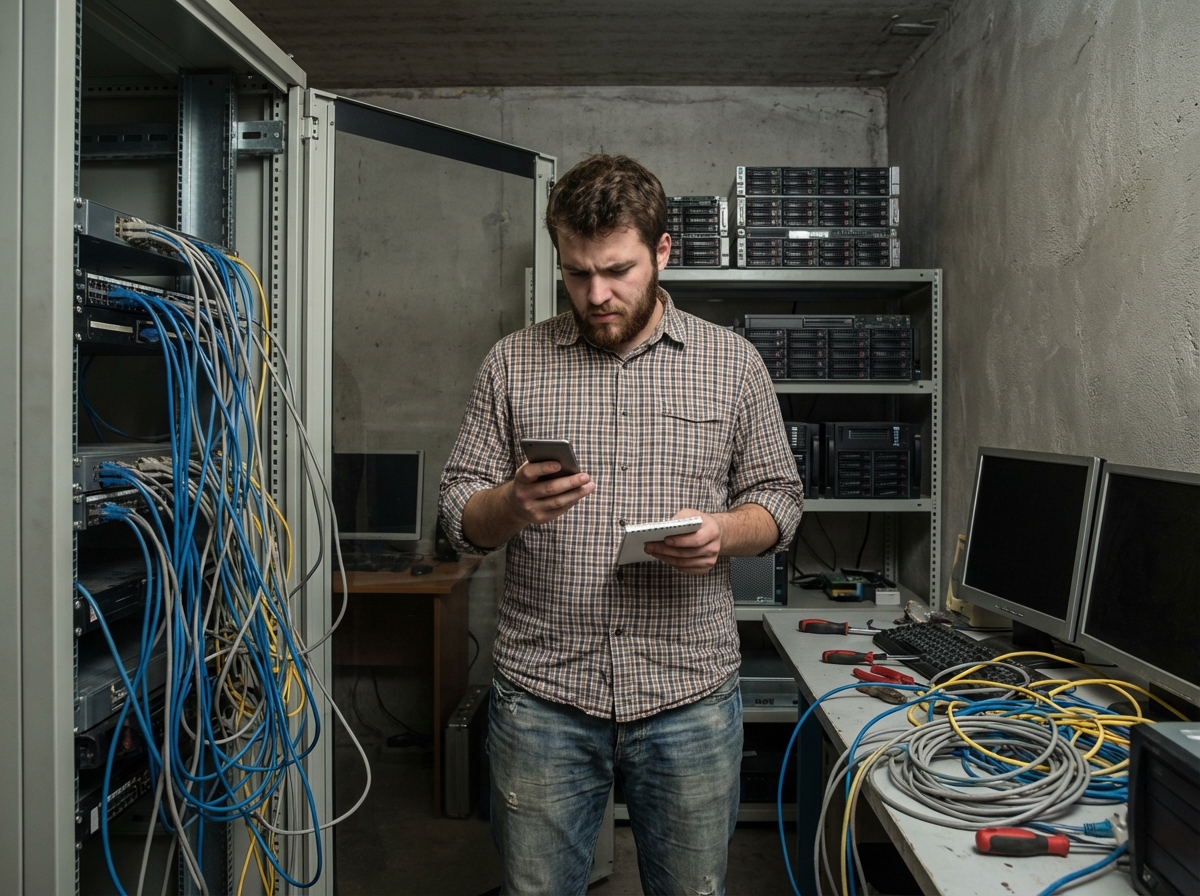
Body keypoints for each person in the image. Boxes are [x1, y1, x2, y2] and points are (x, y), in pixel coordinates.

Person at [439, 154, 804, 896]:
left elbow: (780, 501)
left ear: (662, 251)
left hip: (689, 694)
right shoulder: (512, 363)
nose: (596, 294)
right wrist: (509, 504)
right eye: (577, 273)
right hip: (543, 697)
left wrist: (722, 534)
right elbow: (457, 514)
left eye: (617, 270)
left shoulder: (733, 364)